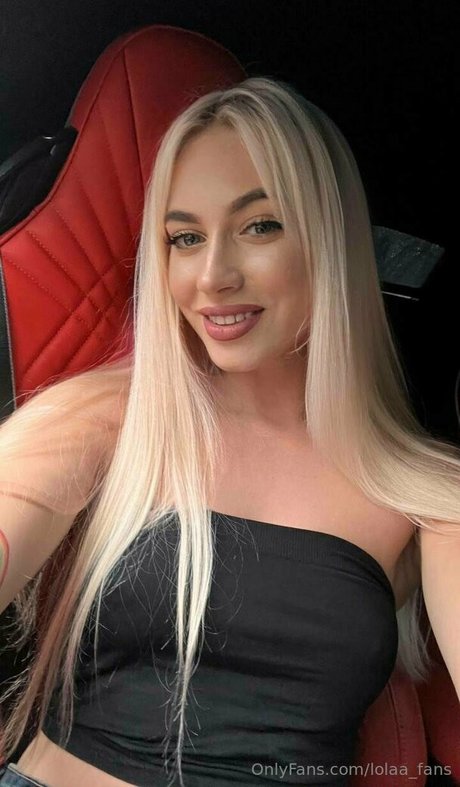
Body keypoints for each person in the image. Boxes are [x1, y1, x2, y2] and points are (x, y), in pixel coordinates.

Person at [0, 76, 459, 787]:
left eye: (260, 226)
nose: (212, 276)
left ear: (330, 240)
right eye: (185, 238)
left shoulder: (424, 492)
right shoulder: (110, 420)